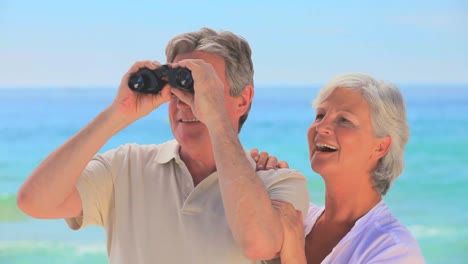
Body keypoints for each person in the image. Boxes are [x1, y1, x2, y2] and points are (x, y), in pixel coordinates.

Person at [16, 27, 310, 263]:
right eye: (179, 88)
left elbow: (258, 243)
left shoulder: (277, 183)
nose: (185, 101)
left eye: (200, 87)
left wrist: (216, 118)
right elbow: (35, 201)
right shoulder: (125, 166)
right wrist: (118, 113)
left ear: (243, 100)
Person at [255, 73, 425, 263]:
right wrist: (263, 182)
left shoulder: (394, 250)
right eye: (320, 115)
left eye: (344, 120)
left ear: (380, 147)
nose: (321, 127)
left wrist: (294, 250)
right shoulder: (296, 215)